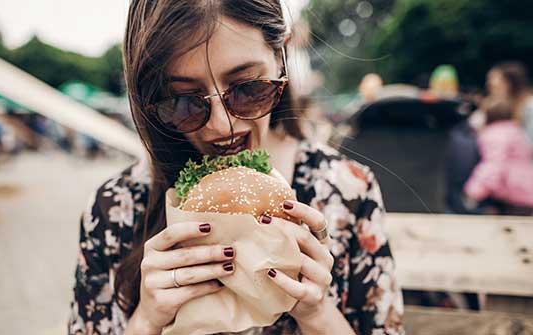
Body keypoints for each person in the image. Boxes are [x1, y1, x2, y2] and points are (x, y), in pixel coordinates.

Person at [67, 1, 404, 334]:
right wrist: (147, 321)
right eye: (183, 100)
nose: (221, 126)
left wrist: (316, 313)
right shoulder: (116, 208)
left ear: (280, 59)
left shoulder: (348, 191)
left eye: (247, 88)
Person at [464, 99, 533, 215]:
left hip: (514, 195)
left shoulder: (494, 134)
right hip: (526, 192)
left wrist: (474, 191)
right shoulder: (516, 131)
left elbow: (493, 165)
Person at [486, 62, 533, 144]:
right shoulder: (502, 108)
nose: (489, 89)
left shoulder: (529, 107)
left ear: (509, 84)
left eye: (493, 86)